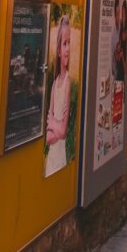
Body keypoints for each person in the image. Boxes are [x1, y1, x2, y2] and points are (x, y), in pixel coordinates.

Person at [45, 15, 72, 177]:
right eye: (64, 44)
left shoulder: (68, 82)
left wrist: (54, 124)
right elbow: (49, 129)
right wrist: (56, 125)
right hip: (51, 155)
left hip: (60, 156)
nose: (68, 48)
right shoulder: (55, 83)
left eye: (69, 43)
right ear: (58, 51)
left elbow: (62, 130)